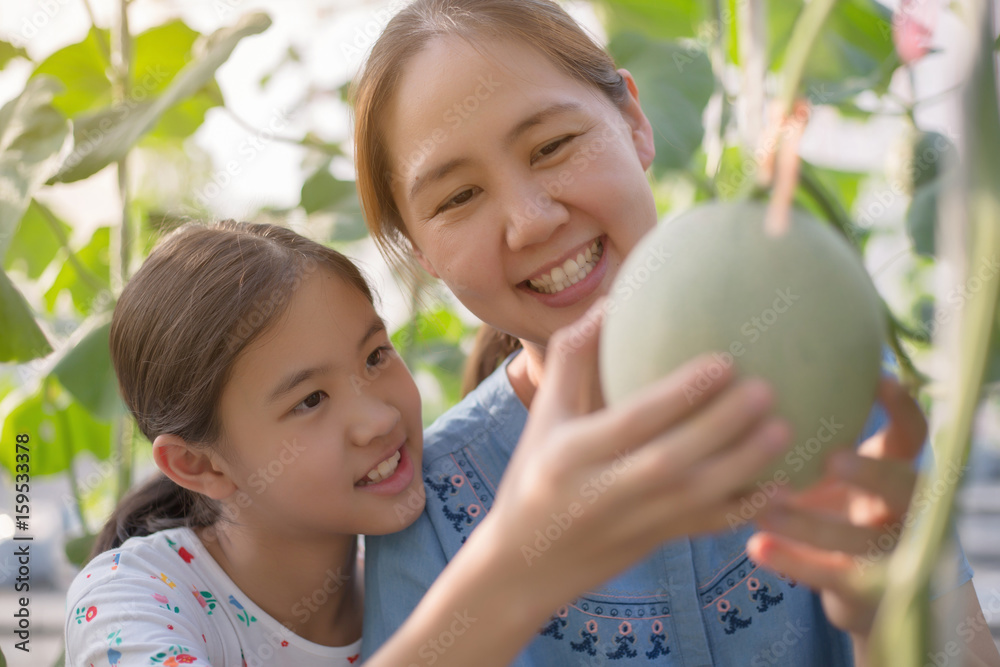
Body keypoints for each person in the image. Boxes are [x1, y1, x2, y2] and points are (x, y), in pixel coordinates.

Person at [352, 1, 999, 664]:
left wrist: (886, 617)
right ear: (424, 253)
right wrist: (512, 575)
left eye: (551, 147)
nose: (531, 221)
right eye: (458, 197)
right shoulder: (421, 510)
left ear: (634, 121)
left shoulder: (831, 372)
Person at [64, 221, 792, 667]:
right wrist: (515, 573)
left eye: (376, 356)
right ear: (200, 463)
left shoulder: (422, 558)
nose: (377, 417)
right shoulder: (136, 597)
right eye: (310, 400)